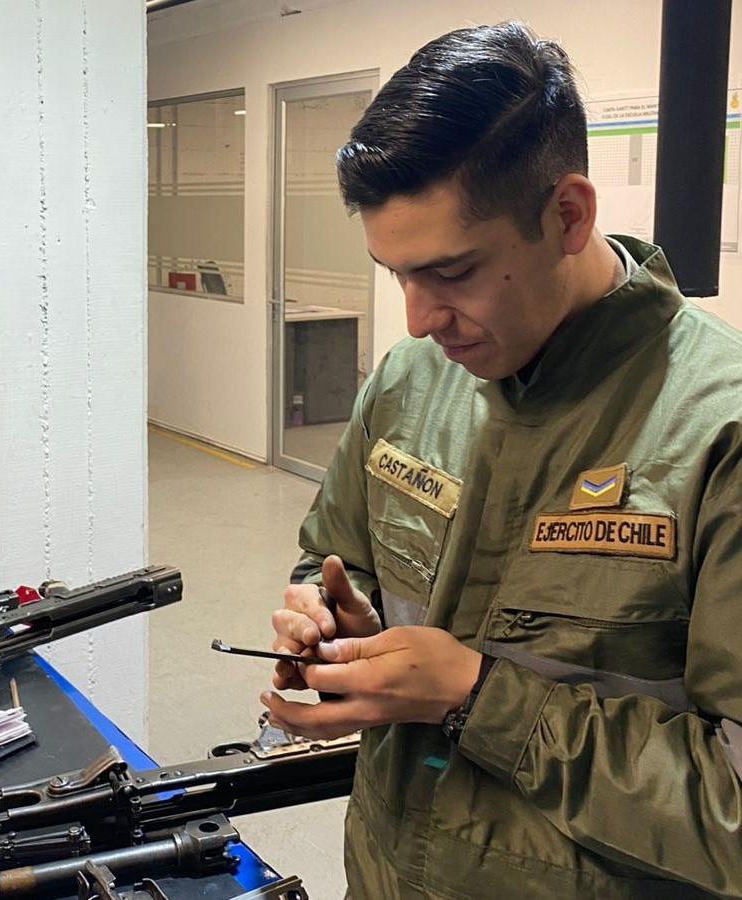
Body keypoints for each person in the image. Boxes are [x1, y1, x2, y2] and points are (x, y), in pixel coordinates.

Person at [265, 22, 742, 900]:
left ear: (567, 215)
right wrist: (330, 622)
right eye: (395, 273)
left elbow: (735, 810)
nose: (415, 319)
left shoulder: (721, 433)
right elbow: (336, 552)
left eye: (451, 272)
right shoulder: (412, 381)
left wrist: (477, 696)